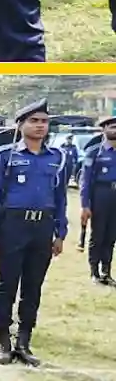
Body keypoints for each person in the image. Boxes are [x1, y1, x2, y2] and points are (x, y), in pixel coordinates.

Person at [0, 99, 67, 366]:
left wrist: (60, 232)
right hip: (13, 226)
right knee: (7, 285)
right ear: (20, 125)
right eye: (34, 121)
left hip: (42, 227)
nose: (40, 126)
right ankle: (3, 341)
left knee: (33, 287)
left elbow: (60, 198)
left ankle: (23, 341)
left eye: (44, 121)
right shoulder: (5, 156)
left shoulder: (57, 157)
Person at [80, 116, 116, 284]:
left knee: (111, 236)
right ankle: (94, 272)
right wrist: (85, 204)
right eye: (112, 127)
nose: (115, 130)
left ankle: (106, 271)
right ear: (104, 129)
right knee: (98, 235)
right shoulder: (94, 152)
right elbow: (85, 181)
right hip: (101, 195)